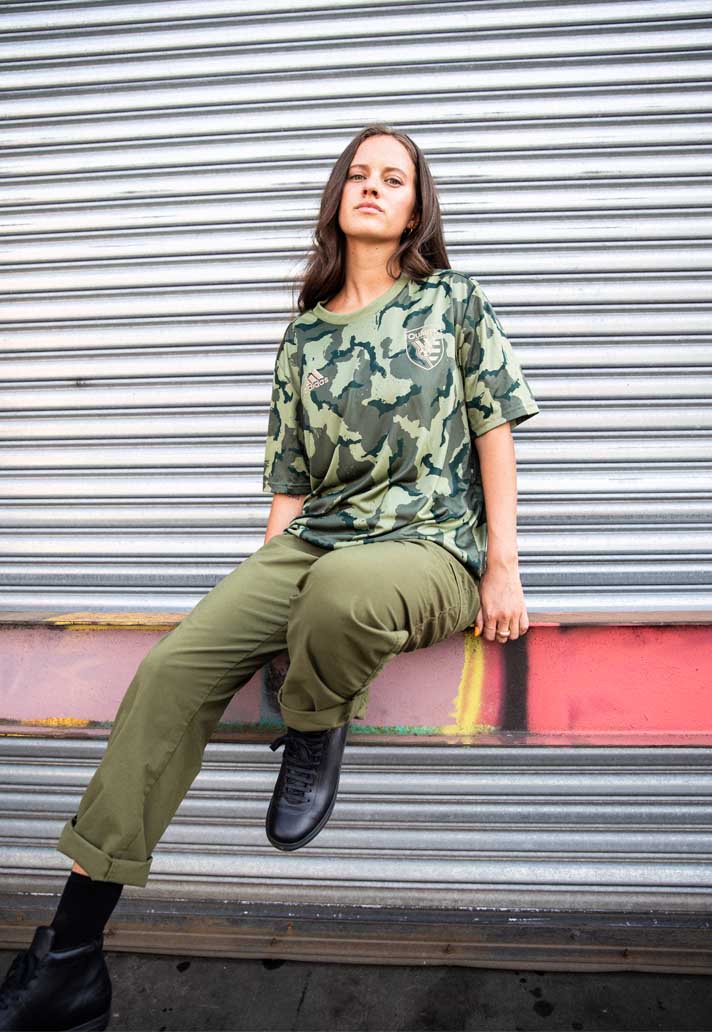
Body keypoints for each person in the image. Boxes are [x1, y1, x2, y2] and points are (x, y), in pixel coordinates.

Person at [0, 122, 540, 1031]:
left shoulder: (451, 301)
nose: (372, 186)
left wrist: (503, 568)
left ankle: (314, 727)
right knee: (172, 672)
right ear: (337, 197)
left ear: (417, 208)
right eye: (358, 174)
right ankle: (71, 957)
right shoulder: (303, 337)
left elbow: (495, 430)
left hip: (429, 547)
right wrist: (254, 597)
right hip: (316, 542)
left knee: (339, 595)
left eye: (394, 178)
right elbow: (291, 483)